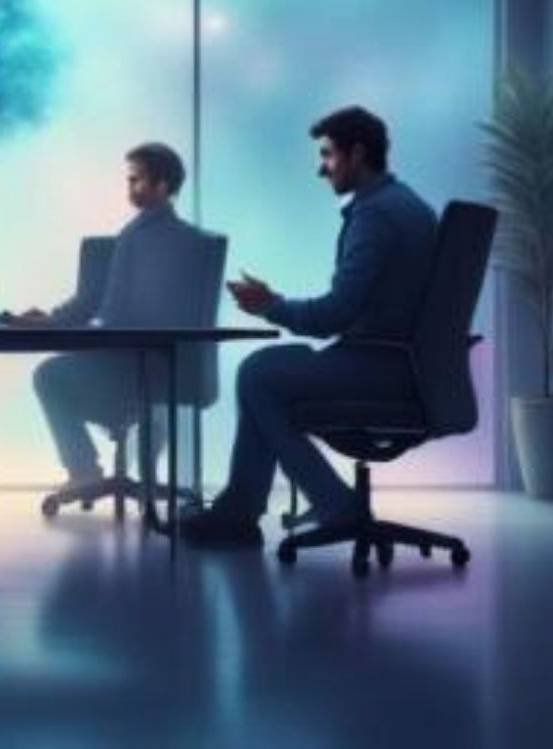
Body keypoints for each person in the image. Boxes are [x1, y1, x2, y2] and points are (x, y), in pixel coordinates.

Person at [180, 106, 439, 549]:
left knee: (258, 374)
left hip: (381, 367)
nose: (321, 169)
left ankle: (322, 504)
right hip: (407, 364)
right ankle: (242, 511)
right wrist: (276, 304)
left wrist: (269, 305)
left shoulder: (375, 216)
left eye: (328, 155)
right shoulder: (410, 205)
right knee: (265, 370)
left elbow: (334, 315)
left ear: (357, 154)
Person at [10, 142, 214, 505]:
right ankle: (94, 471)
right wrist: (55, 320)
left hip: (133, 368)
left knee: (49, 376)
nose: (129, 188)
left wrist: (60, 327)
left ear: (162, 185)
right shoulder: (193, 241)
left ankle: (83, 469)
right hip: (176, 370)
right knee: (65, 367)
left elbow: (112, 310)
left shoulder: (137, 237)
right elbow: (100, 301)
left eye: (136, 180)